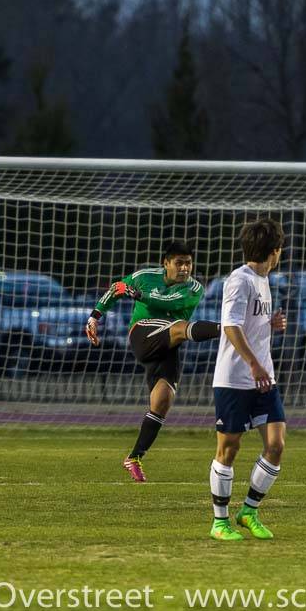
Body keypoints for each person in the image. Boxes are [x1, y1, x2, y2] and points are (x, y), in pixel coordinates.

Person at [86, 240, 221, 482]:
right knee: (180, 327)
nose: (184, 268)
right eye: (179, 263)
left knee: (162, 402)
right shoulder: (144, 276)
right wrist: (95, 316)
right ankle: (226, 329)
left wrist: (138, 295)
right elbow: (117, 288)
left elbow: (170, 303)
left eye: (188, 263)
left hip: (168, 344)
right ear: (166, 263)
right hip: (143, 333)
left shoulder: (194, 288)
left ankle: (134, 457)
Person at [208, 218, 288, 541]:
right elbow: (230, 326)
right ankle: (219, 522)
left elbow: (249, 324)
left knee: (276, 445)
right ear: (273, 251)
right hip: (235, 379)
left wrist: (270, 324)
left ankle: (249, 511)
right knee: (228, 449)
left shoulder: (263, 280)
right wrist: (254, 364)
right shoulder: (238, 281)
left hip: (262, 378)